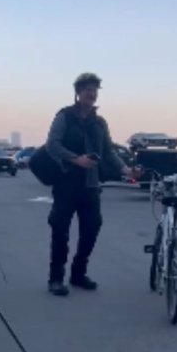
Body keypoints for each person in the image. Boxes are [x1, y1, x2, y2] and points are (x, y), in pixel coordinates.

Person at [45, 73, 139, 296]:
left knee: (92, 228)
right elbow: (52, 145)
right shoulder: (65, 116)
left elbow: (108, 151)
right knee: (61, 231)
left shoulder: (99, 122)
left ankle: (78, 274)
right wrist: (76, 159)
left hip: (90, 185)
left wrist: (125, 169)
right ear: (78, 92)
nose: (92, 93)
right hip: (66, 183)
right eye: (87, 89)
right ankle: (56, 279)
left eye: (95, 89)